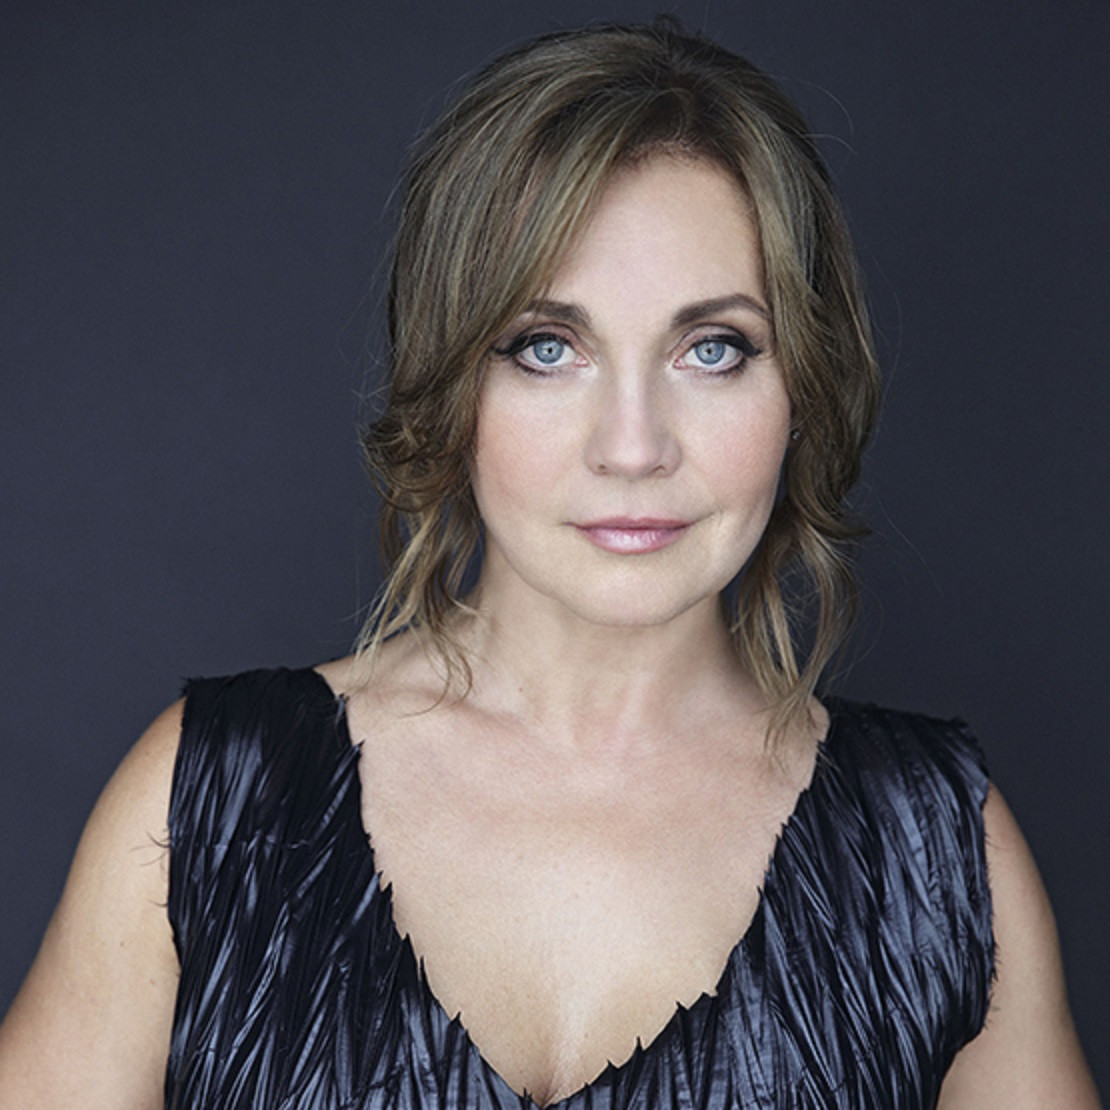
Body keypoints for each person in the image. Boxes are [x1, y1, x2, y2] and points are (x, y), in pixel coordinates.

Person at [0, 19, 1098, 1109]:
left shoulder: (934, 850)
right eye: (547, 347)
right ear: (452, 385)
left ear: (801, 389)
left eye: (713, 349)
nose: (634, 446)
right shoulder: (213, 800)